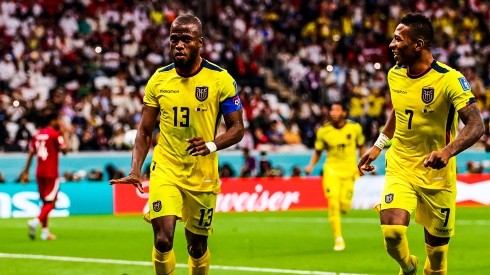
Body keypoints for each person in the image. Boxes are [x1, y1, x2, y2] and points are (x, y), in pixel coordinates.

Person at [109, 14, 244, 275]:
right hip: (166, 169)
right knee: (163, 239)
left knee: (197, 247)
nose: (179, 44)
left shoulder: (220, 79)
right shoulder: (158, 80)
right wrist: (136, 169)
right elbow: (144, 130)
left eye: (186, 39)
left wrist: (211, 145)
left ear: (200, 43)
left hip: (202, 173)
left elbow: (237, 129)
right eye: (174, 39)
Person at [357, 13, 484, 275]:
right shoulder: (395, 75)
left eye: (398, 39)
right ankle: (408, 266)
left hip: (437, 174)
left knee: (437, 261)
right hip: (401, 164)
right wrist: (379, 144)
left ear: (418, 44)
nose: (391, 45)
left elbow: (476, 125)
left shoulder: (449, 79)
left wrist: (447, 151)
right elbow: (399, 110)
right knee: (392, 231)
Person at [304, 102, 366, 251]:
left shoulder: (355, 128)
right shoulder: (323, 131)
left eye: (337, 109)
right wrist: (311, 166)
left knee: (344, 207)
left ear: (344, 113)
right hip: (331, 171)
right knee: (333, 204)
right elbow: (318, 151)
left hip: (350, 172)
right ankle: (338, 239)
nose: (334, 112)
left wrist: (363, 163)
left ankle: (344, 209)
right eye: (332, 109)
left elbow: (361, 146)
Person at [19, 112, 69, 241]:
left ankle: (45, 232)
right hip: (51, 173)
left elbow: (31, 154)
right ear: (52, 121)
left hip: (39, 172)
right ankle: (35, 221)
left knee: (45, 202)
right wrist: (64, 133)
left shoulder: (37, 135)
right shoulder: (55, 134)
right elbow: (65, 151)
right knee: (51, 203)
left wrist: (25, 172)